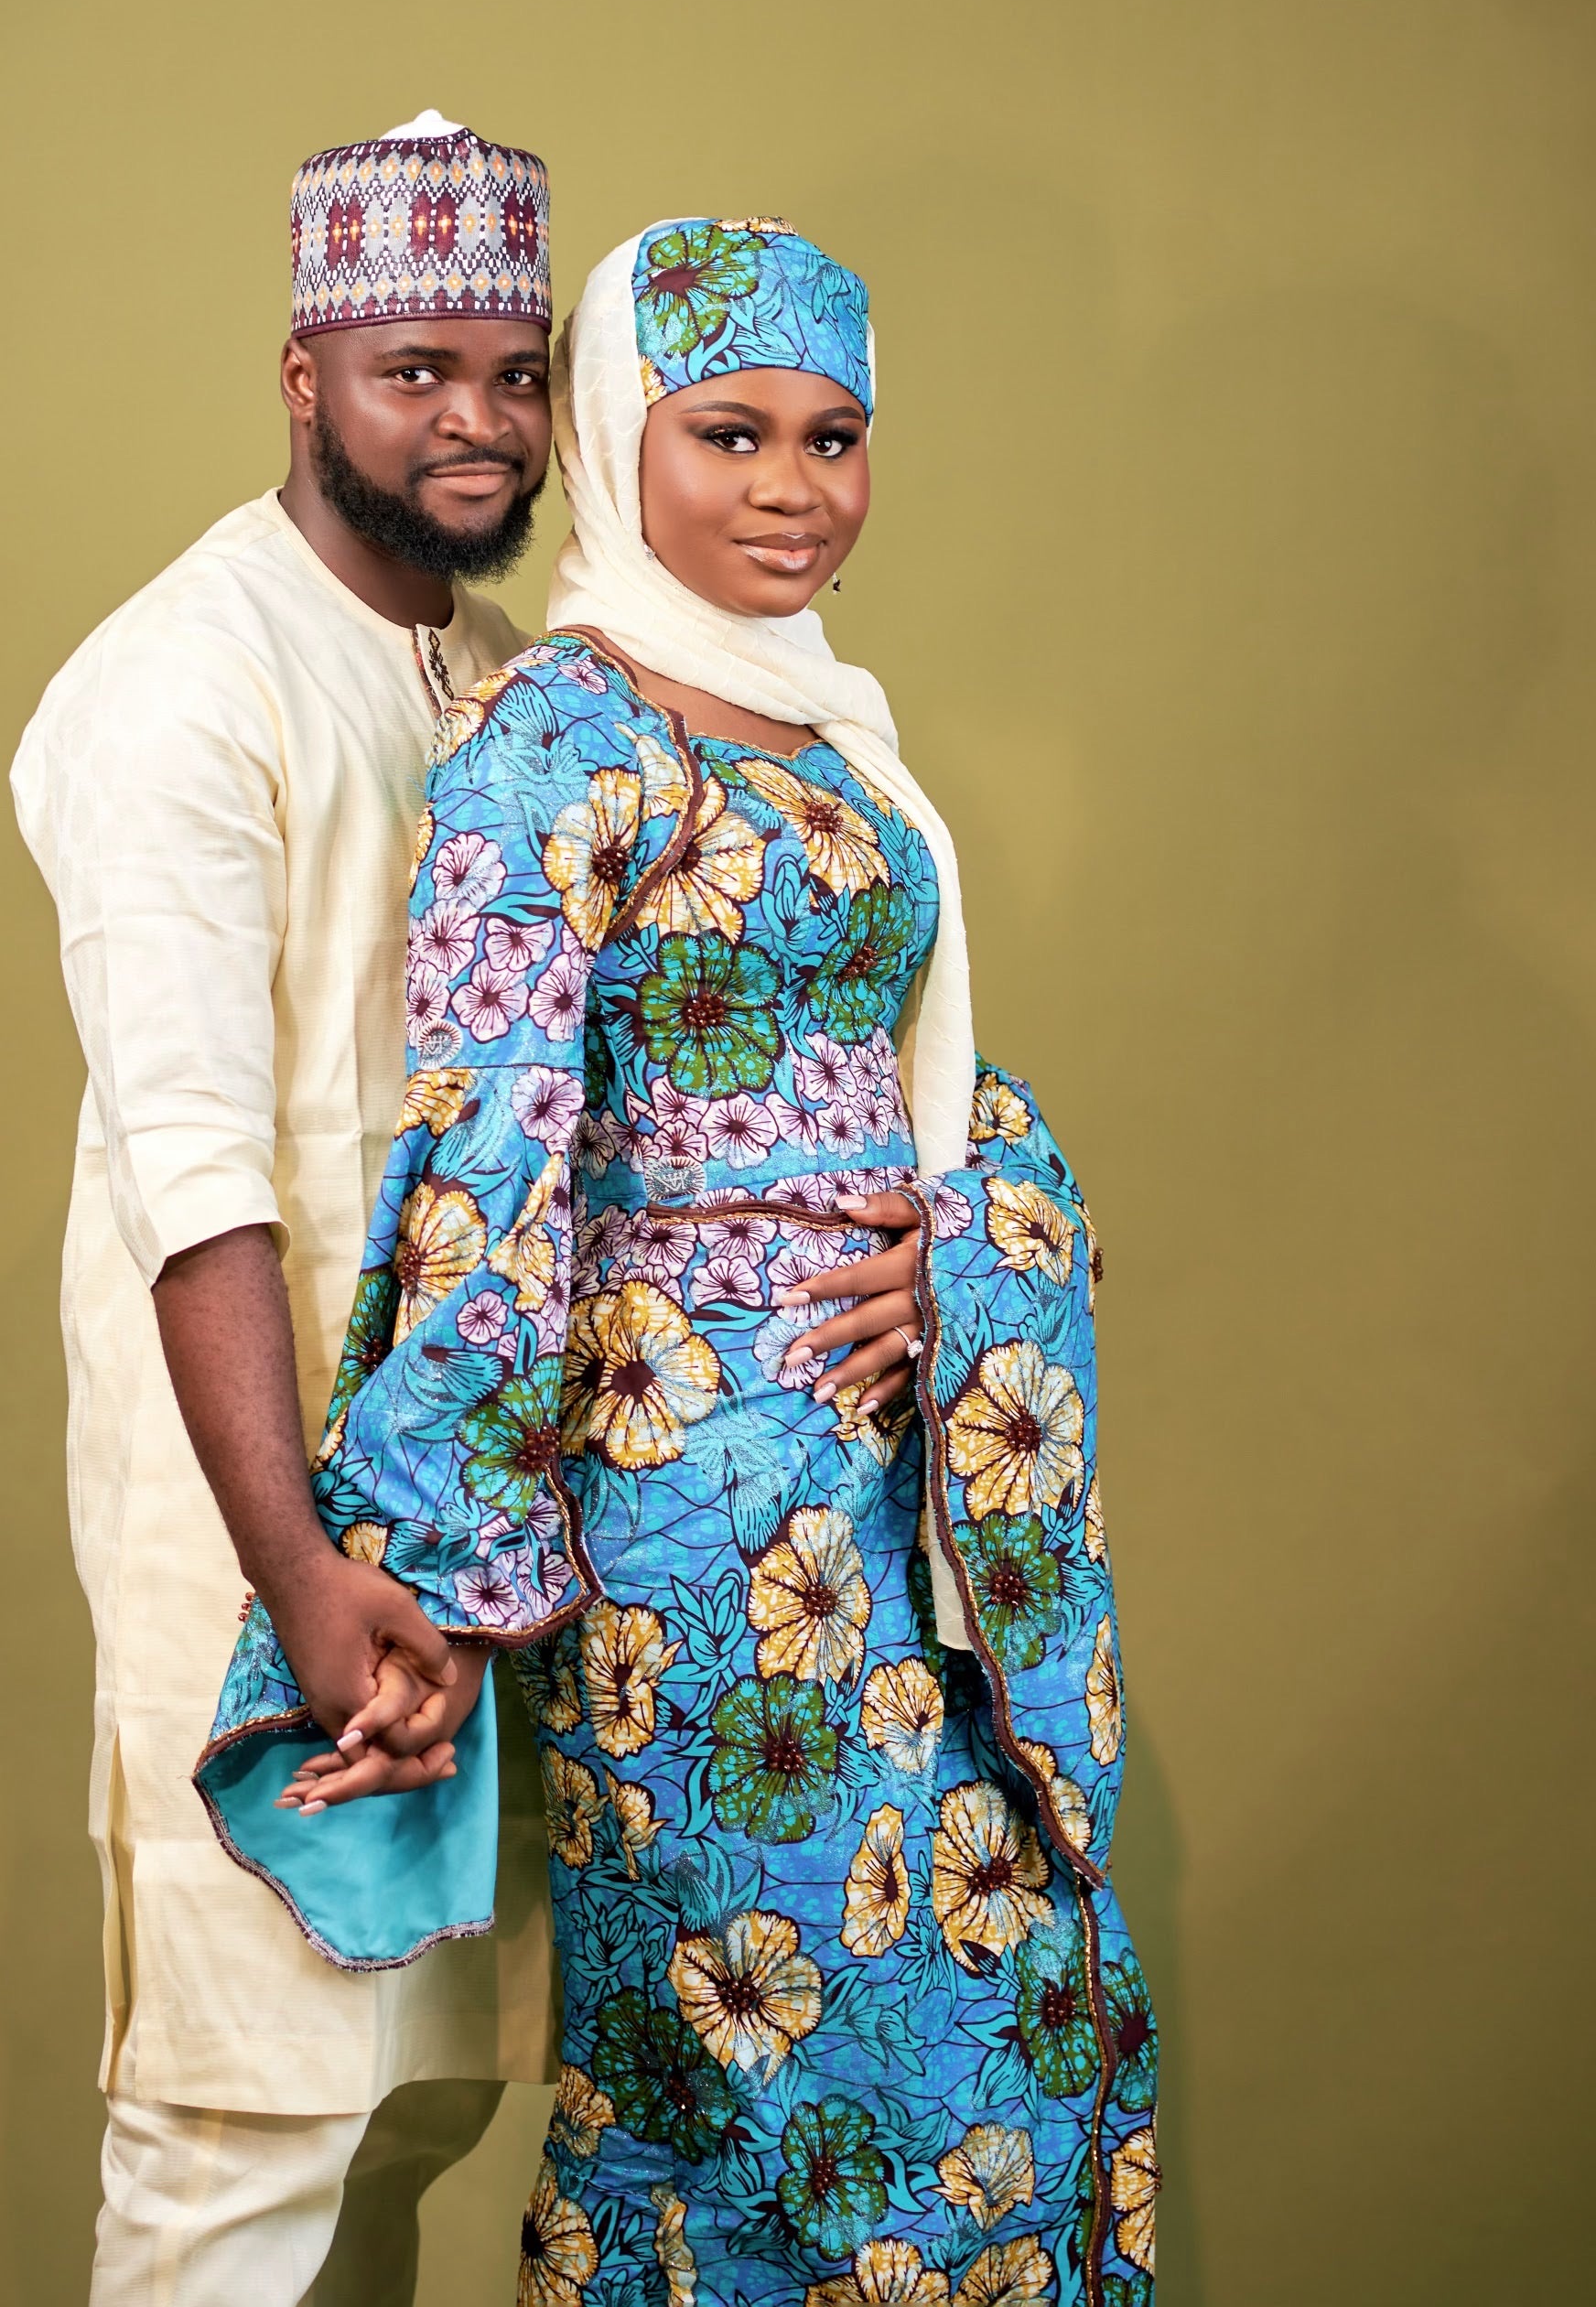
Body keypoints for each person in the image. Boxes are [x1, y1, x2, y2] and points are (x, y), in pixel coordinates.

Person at [199, 219, 1160, 2306]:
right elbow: (488, 1157)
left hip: (913, 1487)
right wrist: (440, 1573)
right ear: (622, 435)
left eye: (835, 436)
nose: (795, 487)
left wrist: (972, 1248)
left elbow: (942, 1095)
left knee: (992, 2026)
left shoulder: (833, 733)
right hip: (696, 1526)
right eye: (730, 432)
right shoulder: (557, 738)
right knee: (768, 2078)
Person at [11, 112, 563, 2307]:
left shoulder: (505, 676)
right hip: (270, 1536)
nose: (475, 420)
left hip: (466, 1530)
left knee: (403, 2116)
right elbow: (195, 1173)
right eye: (414, 370)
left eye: (512, 373)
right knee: (246, 2135)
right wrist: (299, 1568)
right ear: (302, 375)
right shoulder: (189, 679)